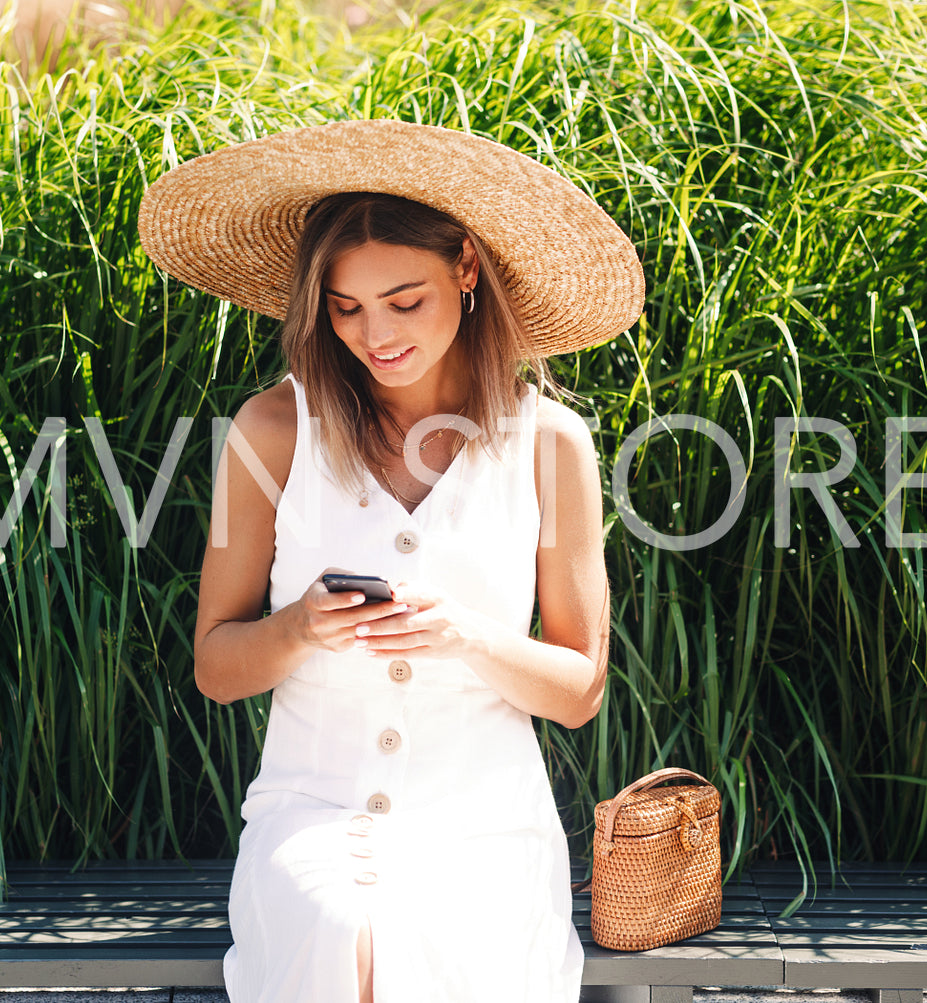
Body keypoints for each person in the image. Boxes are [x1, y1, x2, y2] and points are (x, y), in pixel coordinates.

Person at [137, 120, 644, 1003]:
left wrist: (465, 637)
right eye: (346, 308)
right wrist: (298, 627)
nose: (376, 334)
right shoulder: (272, 429)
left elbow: (578, 690)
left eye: (403, 301)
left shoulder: (548, 442)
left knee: (430, 939)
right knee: (343, 928)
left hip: (483, 826)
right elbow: (216, 666)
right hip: (315, 814)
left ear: (466, 269)